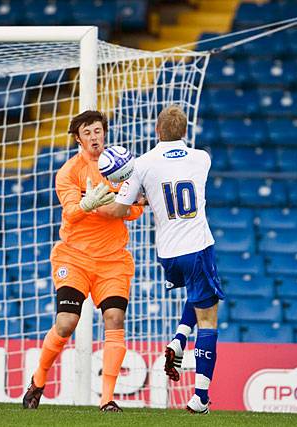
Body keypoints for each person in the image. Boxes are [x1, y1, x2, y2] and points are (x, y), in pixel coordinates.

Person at [22, 110, 144, 413]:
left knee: (115, 320)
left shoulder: (121, 168)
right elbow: (70, 212)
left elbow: (136, 210)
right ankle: (38, 381)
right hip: (74, 257)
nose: (95, 137)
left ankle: (107, 400)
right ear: (78, 138)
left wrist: (115, 208)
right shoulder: (68, 172)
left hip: (113, 260)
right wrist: (89, 204)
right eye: (88, 132)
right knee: (66, 324)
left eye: (99, 131)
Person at [106, 105, 224, 414]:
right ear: (185, 132)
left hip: (168, 253)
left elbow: (121, 209)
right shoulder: (202, 158)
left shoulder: (142, 164)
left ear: (157, 130)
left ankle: (179, 337)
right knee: (209, 317)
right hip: (198, 246)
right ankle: (199, 398)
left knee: (197, 296)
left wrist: (102, 198)